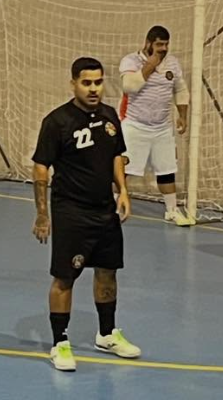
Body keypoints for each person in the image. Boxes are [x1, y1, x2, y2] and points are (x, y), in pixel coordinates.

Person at [32, 57, 141, 371]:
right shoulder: (57, 122)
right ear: (73, 84)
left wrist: (123, 191)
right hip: (71, 211)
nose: (93, 89)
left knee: (107, 271)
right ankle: (60, 343)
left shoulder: (109, 116)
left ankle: (106, 334)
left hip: (104, 210)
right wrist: (42, 214)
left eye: (98, 82)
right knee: (65, 277)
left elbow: (117, 156)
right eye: (86, 83)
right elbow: (40, 167)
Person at [118, 25, 194, 226]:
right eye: (159, 44)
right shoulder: (131, 61)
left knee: (166, 169)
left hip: (162, 127)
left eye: (166, 44)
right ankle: (111, 205)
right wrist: (150, 65)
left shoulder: (172, 63)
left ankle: (172, 211)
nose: (163, 48)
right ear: (148, 43)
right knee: (122, 169)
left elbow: (180, 90)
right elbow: (129, 86)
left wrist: (183, 115)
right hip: (134, 125)